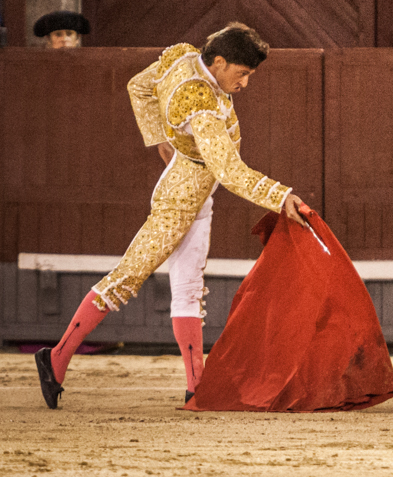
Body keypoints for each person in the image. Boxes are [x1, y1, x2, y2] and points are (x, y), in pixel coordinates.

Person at [34, 23, 310, 410]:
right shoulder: (201, 105)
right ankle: (56, 358)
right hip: (181, 198)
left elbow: (139, 87)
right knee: (127, 278)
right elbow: (230, 172)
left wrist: (161, 140)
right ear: (218, 62)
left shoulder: (183, 57)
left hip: (194, 189)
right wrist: (281, 197)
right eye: (242, 73)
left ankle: (196, 387)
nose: (245, 84)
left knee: (188, 290)